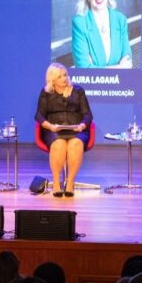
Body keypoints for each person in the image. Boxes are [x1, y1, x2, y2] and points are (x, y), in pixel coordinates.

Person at [35, 62, 92, 198]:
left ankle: (70, 182)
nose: (65, 78)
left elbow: (88, 114)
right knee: (59, 144)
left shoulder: (78, 91)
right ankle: (56, 183)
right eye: (60, 77)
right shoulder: (46, 93)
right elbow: (39, 115)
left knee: (75, 144)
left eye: (65, 75)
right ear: (52, 79)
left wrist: (82, 126)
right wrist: (50, 126)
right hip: (53, 131)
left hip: (77, 130)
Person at [70, 0, 132, 69]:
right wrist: (120, 67)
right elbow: (84, 71)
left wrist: (95, 68)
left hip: (121, 87)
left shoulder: (120, 20)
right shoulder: (80, 24)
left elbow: (129, 63)